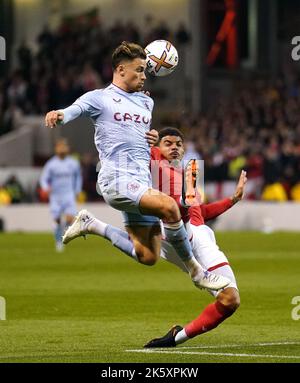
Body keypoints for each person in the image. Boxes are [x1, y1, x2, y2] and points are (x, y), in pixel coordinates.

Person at [45, 41, 229, 291]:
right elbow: (75, 110)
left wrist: (152, 137)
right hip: (116, 180)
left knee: (148, 255)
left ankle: (92, 224)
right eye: (139, 70)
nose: (145, 76)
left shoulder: (146, 103)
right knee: (170, 207)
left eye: (145, 70)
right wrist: (60, 114)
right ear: (120, 70)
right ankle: (198, 272)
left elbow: (134, 134)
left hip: (140, 182)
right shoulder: (99, 98)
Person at [144, 127, 246, 347]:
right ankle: (96, 226)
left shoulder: (188, 175)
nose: (174, 148)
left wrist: (232, 200)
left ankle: (176, 337)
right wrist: (147, 130)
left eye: (178, 144)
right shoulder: (153, 167)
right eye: (168, 143)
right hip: (175, 234)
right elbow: (143, 147)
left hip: (202, 235)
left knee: (230, 299)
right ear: (158, 148)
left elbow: (202, 212)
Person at [39, 138, 82, 252]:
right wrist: (45, 188)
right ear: (56, 149)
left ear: (67, 149)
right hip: (55, 196)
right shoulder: (51, 164)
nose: (62, 149)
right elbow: (44, 178)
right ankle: (58, 241)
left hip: (69, 194)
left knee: (70, 219)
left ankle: (61, 235)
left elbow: (78, 177)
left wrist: (77, 190)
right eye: (60, 146)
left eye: (64, 146)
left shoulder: (73, 163)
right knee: (57, 219)